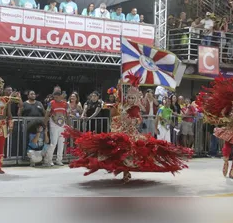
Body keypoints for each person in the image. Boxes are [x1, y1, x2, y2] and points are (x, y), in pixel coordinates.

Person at [63, 75, 193, 183]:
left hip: (131, 133)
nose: (130, 99)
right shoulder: (124, 106)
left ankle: (126, 173)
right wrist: (119, 87)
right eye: (129, 97)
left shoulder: (135, 108)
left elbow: (139, 119)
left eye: (132, 97)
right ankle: (124, 172)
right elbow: (118, 105)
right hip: (121, 131)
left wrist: (133, 120)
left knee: (129, 153)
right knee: (115, 151)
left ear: (135, 98)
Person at [43, 91, 70, 166]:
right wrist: (44, 124)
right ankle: (48, 160)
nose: (55, 99)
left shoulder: (66, 104)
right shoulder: (51, 103)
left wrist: (69, 126)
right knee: (53, 143)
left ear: (61, 96)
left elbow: (68, 115)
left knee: (61, 143)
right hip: (53, 124)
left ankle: (59, 160)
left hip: (62, 124)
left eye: (57, 97)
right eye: (54, 97)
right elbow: (47, 114)